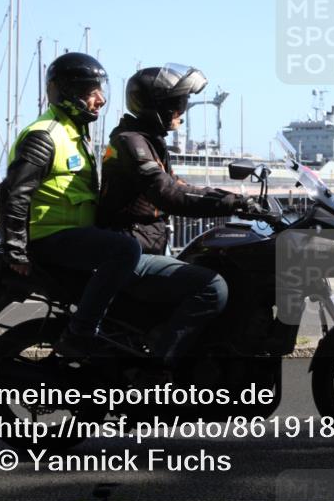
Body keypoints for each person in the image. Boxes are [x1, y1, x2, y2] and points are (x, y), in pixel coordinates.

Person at [97, 64, 253, 366]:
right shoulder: (132, 143)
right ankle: (158, 372)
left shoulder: (148, 141)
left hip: (145, 244)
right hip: (131, 251)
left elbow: (179, 185)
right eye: (177, 103)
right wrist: (230, 204)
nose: (182, 110)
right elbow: (168, 193)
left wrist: (236, 198)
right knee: (212, 287)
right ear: (157, 106)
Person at [0, 52, 141, 357]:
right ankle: (81, 332)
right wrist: (16, 251)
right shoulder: (44, 136)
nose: (100, 100)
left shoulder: (74, 133)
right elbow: (13, 194)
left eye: (101, 91)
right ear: (69, 93)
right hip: (49, 237)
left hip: (70, 234)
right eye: (92, 92)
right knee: (125, 250)